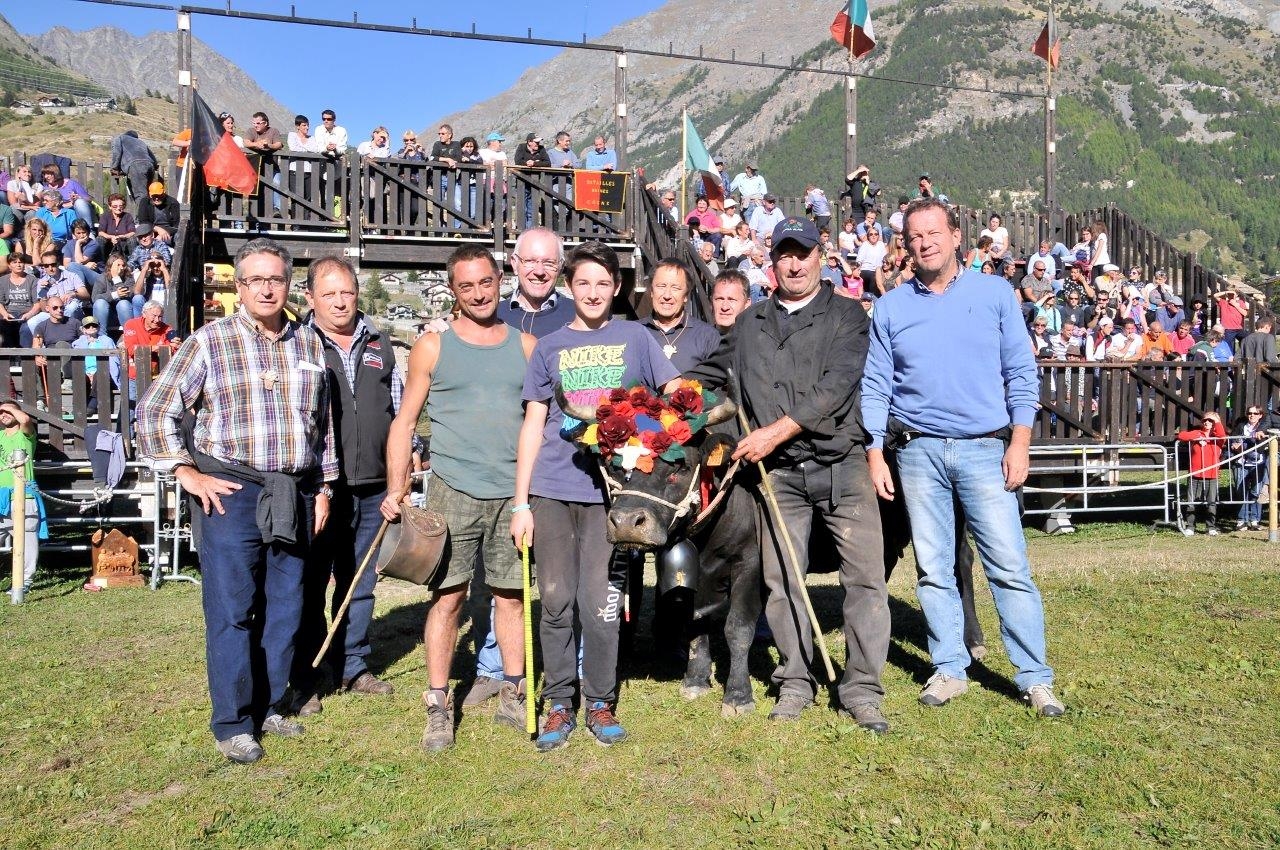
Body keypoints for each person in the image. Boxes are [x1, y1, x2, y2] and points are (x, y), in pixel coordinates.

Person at [136, 238, 337, 765]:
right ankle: (232, 722)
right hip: (231, 492)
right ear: (239, 286)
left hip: (293, 491)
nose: (267, 289)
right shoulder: (210, 341)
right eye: (255, 280)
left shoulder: (309, 342)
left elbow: (323, 426)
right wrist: (185, 471)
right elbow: (155, 409)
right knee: (232, 610)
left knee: (286, 608)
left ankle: (269, 706)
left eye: (276, 279)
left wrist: (323, 488)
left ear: (289, 285)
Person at [687, 217, 891, 733]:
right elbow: (707, 374)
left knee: (865, 579)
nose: (794, 264)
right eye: (785, 254)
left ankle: (862, 689)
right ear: (771, 261)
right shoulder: (749, 323)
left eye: (803, 253)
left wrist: (772, 434)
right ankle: (795, 680)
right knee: (782, 582)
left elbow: (837, 387)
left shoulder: (848, 315)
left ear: (820, 256)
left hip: (841, 464)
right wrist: (656, 398)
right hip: (778, 475)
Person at [861, 199, 1064, 718]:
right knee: (933, 569)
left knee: (1009, 567)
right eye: (914, 236)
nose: (924, 243)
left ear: (956, 237)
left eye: (933, 232)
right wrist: (875, 452)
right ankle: (950, 666)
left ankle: (1034, 677)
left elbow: (1021, 371)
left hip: (985, 448)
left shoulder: (995, 294)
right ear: (906, 246)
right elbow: (876, 385)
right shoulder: (891, 307)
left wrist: (1020, 441)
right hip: (917, 452)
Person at [511, 241, 681, 751]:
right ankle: (560, 703)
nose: (592, 292)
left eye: (603, 283)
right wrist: (521, 503)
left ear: (617, 287)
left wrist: (671, 420)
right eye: (583, 282)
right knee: (556, 600)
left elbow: (675, 396)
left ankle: (601, 701)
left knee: (601, 604)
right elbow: (533, 425)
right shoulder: (549, 347)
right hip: (552, 489)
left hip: (614, 497)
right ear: (569, 286)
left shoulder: (637, 337)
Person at [383, 245, 536, 752]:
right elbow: (404, 423)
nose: (478, 293)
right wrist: (397, 487)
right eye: (466, 286)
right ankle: (438, 701)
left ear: (501, 281)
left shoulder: (526, 346)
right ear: (454, 290)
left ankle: (514, 690)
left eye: (485, 282)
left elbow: (542, 422)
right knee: (448, 598)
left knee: (510, 596)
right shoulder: (433, 346)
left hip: (512, 493)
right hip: (453, 490)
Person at [462, 227, 574, 710]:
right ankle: (493, 666)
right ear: (514, 262)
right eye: (531, 261)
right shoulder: (493, 312)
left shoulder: (576, 314)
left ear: (560, 268)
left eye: (549, 262)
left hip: (560, 459)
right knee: (497, 574)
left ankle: (571, 664)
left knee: (559, 571)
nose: (539, 270)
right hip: (501, 460)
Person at [292, 257, 403, 718]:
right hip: (320, 486)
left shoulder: (380, 343)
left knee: (361, 581)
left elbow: (398, 409)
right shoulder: (298, 342)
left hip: (374, 485)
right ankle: (307, 670)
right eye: (329, 294)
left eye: (347, 292)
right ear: (310, 298)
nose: (340, 302)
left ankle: (352, 665)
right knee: (310, 581)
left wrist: (408, 455)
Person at [0, 397, 43, 600]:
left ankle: (24, 582)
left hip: (24, 496)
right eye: (1, 413)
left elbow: (25, 420)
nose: (4, 414)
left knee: (26, 541)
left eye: (9, 411)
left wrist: (6, 407)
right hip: (1, 496)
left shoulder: (26, 436)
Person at [1177, 412, 1227, 536]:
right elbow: (1182, 435)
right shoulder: (1197, 433)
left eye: (1211, 420)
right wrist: (1197, 436)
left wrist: (1217, 421)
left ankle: (1211, 527)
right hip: (1195, 475)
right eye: (1205, 420)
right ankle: (1190, 526)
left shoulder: (1217, 438)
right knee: (1191, 502)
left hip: (1211, 475)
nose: (1207, 422)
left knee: (1211, 503)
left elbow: (1222, 436)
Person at [1229, 406, 1268, 531]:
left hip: (1258, 463)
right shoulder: (1241, 426)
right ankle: (1242, 520)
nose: (1252, 415)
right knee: (1241, 491)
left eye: (1255, 413)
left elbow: (1265, 444)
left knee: (1256, 492)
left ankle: (1255, 520)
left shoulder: (1264, 427)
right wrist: (1234, 446)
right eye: (1249, 413)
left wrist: (1245, 445)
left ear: (1260, 415)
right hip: (1241, 463)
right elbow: (1232, 441)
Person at [91, 253, 143, 330]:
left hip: (125, 313)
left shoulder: (128, 277)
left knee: (123, 303)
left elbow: (125, 293)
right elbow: (95, 298)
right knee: (100, 303)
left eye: (123, 265)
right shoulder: (102, 278)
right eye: (118, 265)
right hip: (108, 314)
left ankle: (129, 332)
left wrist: (116, 278)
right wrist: (115, 295)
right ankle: (101, 334)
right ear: (110, 266)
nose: (121, 268)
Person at [0, 254, 41, 348]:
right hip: (9, 313)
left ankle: (25, 355)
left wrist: (29, 314)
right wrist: (5, 314)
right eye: (15, 262)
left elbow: (37, 304)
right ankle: (8, 355)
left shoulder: (33, 280)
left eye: (20, 262)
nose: (18, 265)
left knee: (26, 329)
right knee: (4, 328)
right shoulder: (2, 281)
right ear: (9, 265)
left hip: (27, 313)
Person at [109, 131, 158, 201]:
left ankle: (142, 208)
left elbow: (116, 153)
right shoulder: (141, 142)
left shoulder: (120, 138)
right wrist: (155, 166)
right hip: (150, 165)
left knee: (140, 195)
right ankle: (150, 207)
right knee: (149, 194)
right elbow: (153, 158)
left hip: (136, 166)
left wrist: (114, 168)